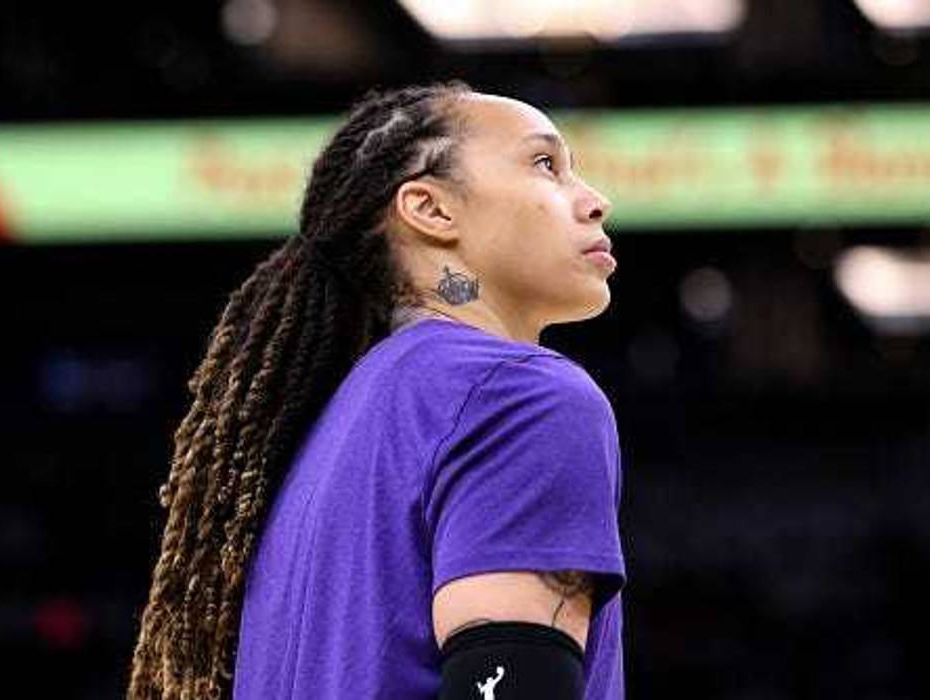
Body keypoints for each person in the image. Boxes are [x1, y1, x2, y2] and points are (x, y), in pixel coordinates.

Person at [125, 81, 625, 699]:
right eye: (546, 164)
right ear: (432, 209)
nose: (595, 200)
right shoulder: (520, 397)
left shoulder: (320, 434)